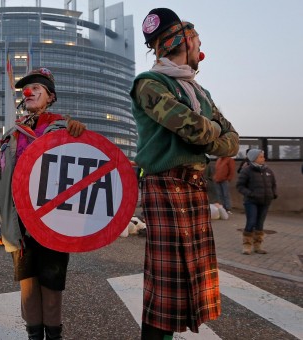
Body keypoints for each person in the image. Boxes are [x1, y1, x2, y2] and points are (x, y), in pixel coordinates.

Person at [132, 8, 239, 339]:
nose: (200, 50)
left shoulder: (199, 91)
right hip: (164, 183)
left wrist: (211, 133)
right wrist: (211, 131)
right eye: (197, 42)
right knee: (165, 285)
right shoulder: (148, 84)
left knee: (190, 279)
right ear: (184, 41)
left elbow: (232, 140)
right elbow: (195, 131)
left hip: (193, 185)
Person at [0, 67, 85, 340]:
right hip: (20, 225)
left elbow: (85, 167)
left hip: (54, 224)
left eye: (36, 88)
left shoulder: (64, 129)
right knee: (28, 288)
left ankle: (53, 337)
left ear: (50, 96)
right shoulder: (11, 137)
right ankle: (33, 336)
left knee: (51, 288)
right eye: (26, 89)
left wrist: (81, 137)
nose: (28, 92)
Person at [236, 149, 277, 255]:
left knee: (260, 224)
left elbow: (273, 184)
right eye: (261, 157)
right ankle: (247, 246)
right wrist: (250, 194)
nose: (263, 158)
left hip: (265, 201)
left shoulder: (268, 170)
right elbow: (240, 186)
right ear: (254, 158)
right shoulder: (246, 170)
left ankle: (258, 246)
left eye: (263, 156)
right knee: (251, 222)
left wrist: (273, 193)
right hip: (251, 202)